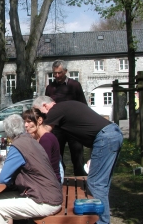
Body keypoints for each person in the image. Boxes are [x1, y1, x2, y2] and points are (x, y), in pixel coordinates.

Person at [33, 96, 123, 224]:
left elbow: (44, 132)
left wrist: (29, 144)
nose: (41, 116)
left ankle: (102, 221)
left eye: (40, 111)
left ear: (45, 105)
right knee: (102, 184)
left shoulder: (55, 109)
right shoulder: (66, 106)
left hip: (105, 138)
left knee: (96, 184)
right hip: (113, 134)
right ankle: (103, 219)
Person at [0, 114, 63, 224]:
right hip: (50, 194)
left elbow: (4, 179)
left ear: (8, 132)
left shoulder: (18, 146)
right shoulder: (31, 140)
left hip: (46, 201)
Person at [45, 59, 87, 176]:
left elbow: (83, 105)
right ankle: (59, 181)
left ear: (66, 71)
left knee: (77, 157)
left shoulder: (75, 85)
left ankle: (81, 182)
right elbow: (46, 107)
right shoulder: (50, 88)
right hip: (57, 127)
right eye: (55, 73)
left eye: (59, 73)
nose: (57, 76)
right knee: (57, 156)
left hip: (74, 127)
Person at [22, 109, 63, 183]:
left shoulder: (46, 139)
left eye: (29, 121)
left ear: (40, 120)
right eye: (25, 122)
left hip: (50, 185)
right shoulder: (42, 137)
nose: (25, 125)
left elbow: (43, 167)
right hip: (48, 182)